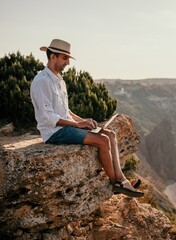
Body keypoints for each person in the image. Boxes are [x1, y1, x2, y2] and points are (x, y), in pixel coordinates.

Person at [30, 39, 143, 198]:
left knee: (110, 134)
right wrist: (77, 124)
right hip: (55, 132)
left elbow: (65, 110)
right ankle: (115, 184)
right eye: (65, 58)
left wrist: (83, 120)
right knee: (102, 140)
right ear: (53, 57)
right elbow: (47, 117)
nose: (68, 63)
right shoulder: (41, 81)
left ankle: (122, 179)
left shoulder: (59, 81)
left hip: (67, 127)